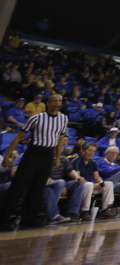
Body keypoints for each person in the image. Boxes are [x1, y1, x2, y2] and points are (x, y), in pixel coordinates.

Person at [0, 93, 68, 230]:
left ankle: (28, 219)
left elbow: (60, 139)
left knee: (37, 188)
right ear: (47, 103)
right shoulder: (36, 118)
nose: (57, 103)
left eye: (60, 100)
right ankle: (3, 219)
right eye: (54, 100)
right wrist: (7, 156)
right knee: (18, 187)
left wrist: (57, 157)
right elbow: (19, 137)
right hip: (33, 153)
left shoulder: (63, 118)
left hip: (48, 154)